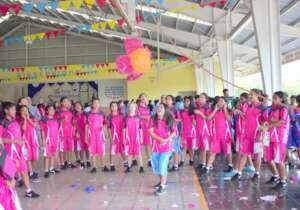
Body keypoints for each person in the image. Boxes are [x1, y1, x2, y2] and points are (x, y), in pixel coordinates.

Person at [0, 102, 39, 198]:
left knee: (24, 170)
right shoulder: (3, 123)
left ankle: (28, 191)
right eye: (12, 109)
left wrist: (22, 139)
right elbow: (1, 139)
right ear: (6, 111)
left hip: (19, 151)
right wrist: (15, 141)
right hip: (9, 153)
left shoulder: (15, 121)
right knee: (11, 174)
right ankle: (10, 195)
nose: (14, 111)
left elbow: (20, 132)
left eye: (14, 109)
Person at [228, 89, 267, 181]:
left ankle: (256, 174)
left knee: (257, 155)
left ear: (258, 96)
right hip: (247, 135)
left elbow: (265, 123)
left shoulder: (262, 108)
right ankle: (239, 173)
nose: (249, 96)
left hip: (257, 135)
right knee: (244, 153)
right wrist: (239, 112)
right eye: (249, 94)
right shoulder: (249, 106)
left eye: (252, 94)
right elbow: (247, 117)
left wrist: (261, 134)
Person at [264, 91, 290, 190]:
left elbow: (281, 121)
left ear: (281, 99)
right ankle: (276, 176)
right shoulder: (272, 109)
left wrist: (269, 125)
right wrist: (266, 125)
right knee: (268, 158)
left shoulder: (284, 109)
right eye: (273, 97)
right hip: (269, 136)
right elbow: (269, 120)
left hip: (279, 137)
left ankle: (283, 181)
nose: (273, 99)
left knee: (279, 160)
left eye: (275, 97)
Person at [149, 103, 175, 196]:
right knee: (156, 166)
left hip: (166, 147)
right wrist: (160, 139)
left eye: (161, 107)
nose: (159, 109)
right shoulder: (153, 119)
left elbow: (174, 132)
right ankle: (161, 182)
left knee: (162, 165)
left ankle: (162, 186)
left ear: (165, 110)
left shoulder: (170, 119)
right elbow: (151, 132)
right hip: (156, 147)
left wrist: (166, 140)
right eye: (158, 107)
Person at [202, 97, 233, 174]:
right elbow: (208, 119)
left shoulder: (229, 111)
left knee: (228, 151)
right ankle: (207, 167)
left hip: (226, 135)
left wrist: (225, 109)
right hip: (216, 135)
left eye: (222, 101)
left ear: (225, 103)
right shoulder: (213, 111)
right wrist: (215, 110)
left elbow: (228, 119)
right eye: (219, 101)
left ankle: (230, 165)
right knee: (213, 151)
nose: (220, 103)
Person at [85, 98, 109, 173]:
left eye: (97, 103)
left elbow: (105, 123)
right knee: (93, 152)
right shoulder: (88, 113)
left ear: (99, 104)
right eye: (94, 103)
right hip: (91, 135)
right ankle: (94, 167)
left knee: (101, 151)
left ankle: (103, 166)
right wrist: (86, 137)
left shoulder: (102, 113)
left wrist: (103, 126)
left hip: (100, 136)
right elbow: (86, 126)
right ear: (92, 104)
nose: (96, 104)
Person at [18, 105, 39, 182]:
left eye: (26, 110)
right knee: (28, 157)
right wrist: (25, 120)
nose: (24, 112)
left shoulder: (33, 118)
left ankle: (31, 171)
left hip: (33, 140)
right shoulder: (20, 121)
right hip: (26, 141)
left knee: (34, 157)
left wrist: (28, 118)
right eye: (22, 110)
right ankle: (31, 173)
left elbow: (34, 125)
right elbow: (23, 128)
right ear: (20, 112)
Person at [40, 104, 61, 178]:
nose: (52, 111)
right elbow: (42, 130)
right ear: (46, 111)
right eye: (50, 109)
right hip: (47, 140)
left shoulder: (56, 120)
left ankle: (51, 168)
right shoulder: (44, 120)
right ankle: (46, 170)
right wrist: (43, 140)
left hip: (54, 140)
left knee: (52, 154)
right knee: (47, 156)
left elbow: (57, 131)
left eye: (53, 109)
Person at [123, 102, 144, 173]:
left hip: (136, 137)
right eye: (130, 107)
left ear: (136, 108)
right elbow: (124, 128)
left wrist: (141, 137)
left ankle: (141, 166)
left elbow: (140, 128)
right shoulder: (126, 117)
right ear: (128, 108)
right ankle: (129, 166)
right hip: (129, 137)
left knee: (138, 152)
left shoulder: (138, 117)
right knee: (130, 153)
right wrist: (124, 138)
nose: (132, 108)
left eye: (133, 107)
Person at [107, 101, 127, 171]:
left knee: (122, 149)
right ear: (110, 108)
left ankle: (125, 161)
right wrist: (110, 138)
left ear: (117, 107)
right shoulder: (109, 116)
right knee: (112, 149)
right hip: (113, 136)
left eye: (115, 106)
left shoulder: (122, 115)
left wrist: (124, 137)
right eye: (112, 106)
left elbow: (124, 127)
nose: (114, 107)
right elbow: (108, 128)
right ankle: (111, 164)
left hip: (121, 135)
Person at [58, 97, 76, 169]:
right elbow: (56, 122)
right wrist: (62, 119)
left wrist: (74, 124)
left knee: (70, 148)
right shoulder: (59, 112)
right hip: (62, 133)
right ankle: (63, 162)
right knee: (62, 148)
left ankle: (69, 162)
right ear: (61, 103)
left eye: (67, 101)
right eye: (64, 101)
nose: (66, 103)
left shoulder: (71, 111)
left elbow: (73, 121)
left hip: (70, 133)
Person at [194, 93, 211, 170]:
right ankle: (203, 163)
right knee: (201, 147)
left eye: (202, 97)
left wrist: (200, 113)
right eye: (200, 97)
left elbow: (208, 118)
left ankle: (209, 164)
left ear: (206, 99)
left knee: (207, 148)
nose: (200, 98)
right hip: (199, 129)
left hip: (205, 129)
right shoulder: (198, 106)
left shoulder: (207, 107)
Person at [179, 96, 196, 166]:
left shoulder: (194, 111)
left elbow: (195, 123)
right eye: (185, 101)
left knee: (191, 147)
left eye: (188, 101)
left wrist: (193, 118)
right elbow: (180, 120)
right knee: (184, 147)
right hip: (184, 131)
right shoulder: (181, 111)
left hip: (192, 131)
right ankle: (182, 160)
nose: (186, 102)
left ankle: (191, 159)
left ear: (191, 102)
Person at [165, 95, 180, 171]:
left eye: (169, 99)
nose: (167, 101)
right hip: (165, 131)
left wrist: (172, 120)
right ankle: (166, 164)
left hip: (173, 131)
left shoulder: (175, 109)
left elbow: (179, 119)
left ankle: (176, 165)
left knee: (175, 149)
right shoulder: (164, 109)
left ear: (172, 101)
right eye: (166, 99)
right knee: (167, 148)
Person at [73, 102, 90, 169]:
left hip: (86, 133)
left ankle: (88, 160)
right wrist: (76, 132)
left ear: (81, 106)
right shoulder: (74, 116)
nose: (77, 107)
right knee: (81, 148)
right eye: (76, 106)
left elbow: (88, 124)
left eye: (78, 105)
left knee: (87, 147)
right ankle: (82, 161)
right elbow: (74, 125)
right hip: (79, 134)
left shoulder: (86, 114)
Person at [137, 93, 152, 167]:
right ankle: (136, 160)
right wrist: (145, 117)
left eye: (144, 97)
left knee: (148, 144)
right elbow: (137, 116)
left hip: (147, 128)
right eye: (142, 97)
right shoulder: (137, 108)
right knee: (138, 144)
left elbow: (150, 117)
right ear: (139, 98)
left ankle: (149, 160)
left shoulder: (147, 107)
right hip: (140, 128)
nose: (143, 98)